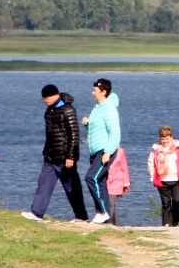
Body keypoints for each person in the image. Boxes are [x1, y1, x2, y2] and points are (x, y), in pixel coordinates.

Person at [22, 83, 90, 223]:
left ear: (53, 95)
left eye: (45, 98)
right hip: (50, 156)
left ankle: (81, 217)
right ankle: (36, 213)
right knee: (44, 183)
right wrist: (46, 151)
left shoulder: (68, 110)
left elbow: (74, 135)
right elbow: (50, 135)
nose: (44, 101)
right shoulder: (49, 111)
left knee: (72, 187)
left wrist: (71, 156)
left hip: (65, 157)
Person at [81, 78, 121, 224]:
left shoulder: (109, 108)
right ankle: (107, 220)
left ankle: (102, 212)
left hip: (104, 150)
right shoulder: (97, 107)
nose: (92, 93)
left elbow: (115, 132)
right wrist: (87, 124)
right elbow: (98, 128)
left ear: (103, 92)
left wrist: (108, 152)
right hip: (95, 150)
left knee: (90, 178)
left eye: (95, 91)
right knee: (101, 183)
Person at [148, 125, 179, 227]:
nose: (164, 141)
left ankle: (174, 222)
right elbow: (151, 163)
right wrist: (152, 177)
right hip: (162, 180)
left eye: (167, 138)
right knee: (166, 203)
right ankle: (166, 224)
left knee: (177, 201)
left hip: (177, 179)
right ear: (160, 138)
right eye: (162, 138)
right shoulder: (156, 149)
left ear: (171, 137)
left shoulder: (178, 146)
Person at [106, 145, 131, 226]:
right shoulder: (101, 151)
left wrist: (126, 183)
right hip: (104, 181)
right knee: (109, 204)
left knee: (110, 203)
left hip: (116, 182)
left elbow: (124, 168)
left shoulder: (120, 151)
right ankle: (114, 224)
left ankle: (108, 224)